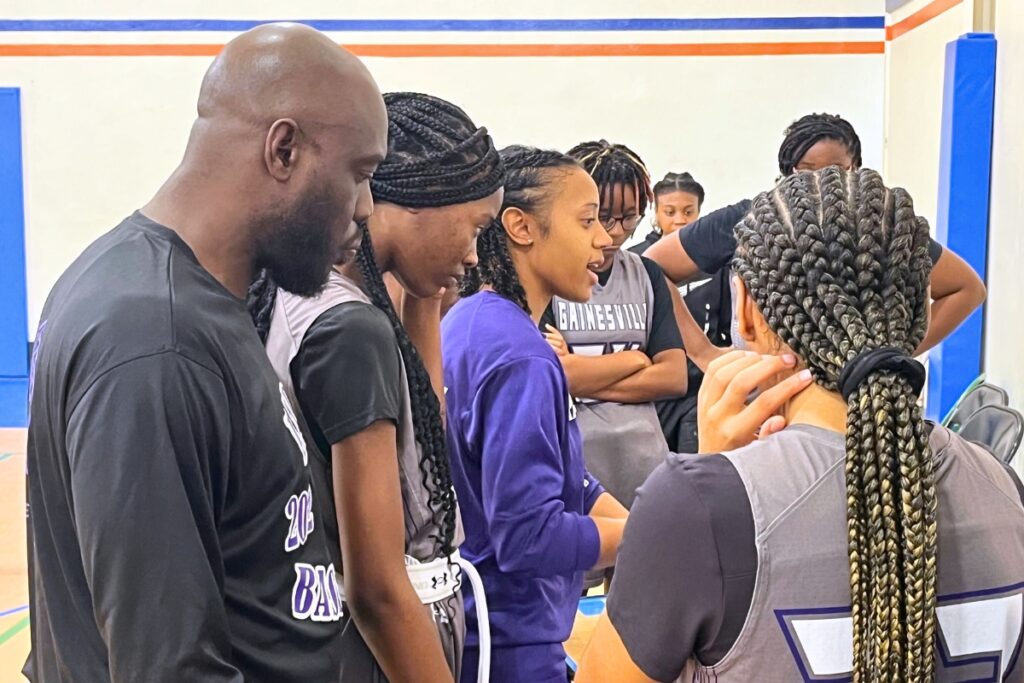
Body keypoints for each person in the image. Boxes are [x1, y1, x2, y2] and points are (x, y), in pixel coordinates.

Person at [23, 24, 389, 683]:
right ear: (284, 150)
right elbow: (167, 665)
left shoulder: (192, 300)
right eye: (359, 174)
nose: (365, 207)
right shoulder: (152, 338)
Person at [577, 168, 1024, 682]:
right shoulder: (1004, 487)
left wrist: (712, 477)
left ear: (745, 309)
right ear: (917, 315)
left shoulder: (698, 507)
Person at [248, 91, 504, 682]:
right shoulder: (351, 331)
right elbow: (377, 591)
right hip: (375, 653)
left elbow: (424, 441)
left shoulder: (315, 296)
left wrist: (426, 295)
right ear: (415, 201)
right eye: (474, 228)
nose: (472, 255)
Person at [444, 146, 628, 682]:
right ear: (521, 227)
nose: (605, 239)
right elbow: (529, 536)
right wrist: (645, 538)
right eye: (587, 220)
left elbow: (557, 474)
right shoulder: (523, 356)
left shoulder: (471, 321)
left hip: (478, 630)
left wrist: (625, 519)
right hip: (509, 644)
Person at [644, 112, 987, 355]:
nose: (821, 181)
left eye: (835, 170)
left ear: (857, 170)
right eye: (806, 171)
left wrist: (902, 351)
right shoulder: (752, 219)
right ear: (786, 171)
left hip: (852, 391)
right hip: (765, 391)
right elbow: (651, 267)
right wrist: (702, 352)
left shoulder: (880, 223)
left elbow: (965, 288)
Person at [539, 140, 686, 508]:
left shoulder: (647, 275)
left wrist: (583, 377)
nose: (616, 232)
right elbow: (555, 377)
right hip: (578, 473)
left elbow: (674, 377)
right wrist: (635, 361)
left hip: (647, 469)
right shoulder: (551, 280)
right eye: (602, 217)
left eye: (629, 217)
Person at [631, 171, 731, 452]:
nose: (679, 220)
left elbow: (724, 328)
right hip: (657, 387)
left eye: (689, 211)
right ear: (655, 212)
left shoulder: (717, 267)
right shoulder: (637, 260)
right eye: (670, 211)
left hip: (703, 386)